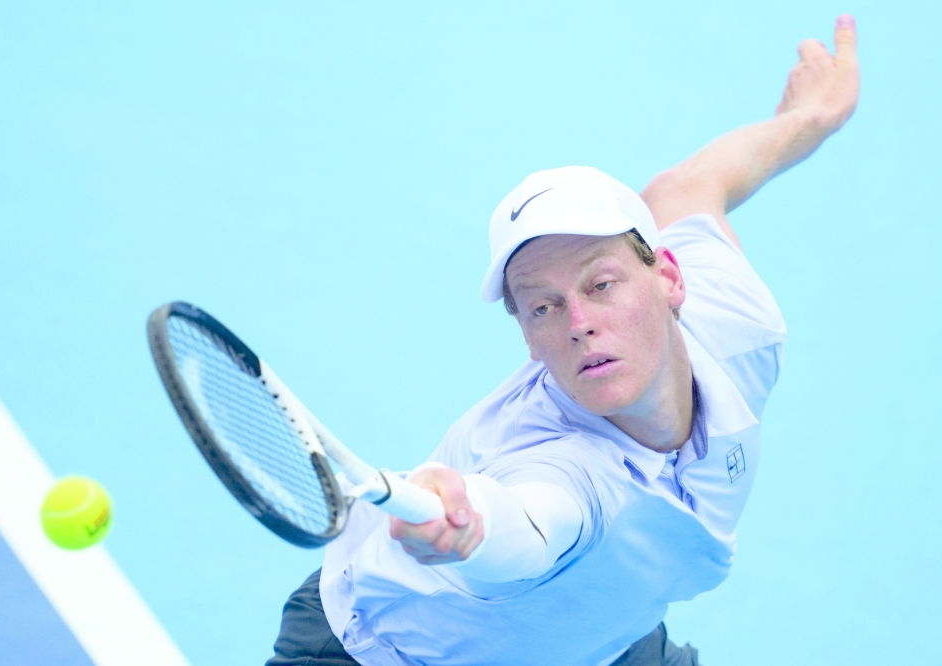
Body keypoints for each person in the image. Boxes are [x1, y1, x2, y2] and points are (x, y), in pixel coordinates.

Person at [268, 14, 860, 666]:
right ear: (526, 335)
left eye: (601, 283)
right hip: (385, 649)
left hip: (595, 635)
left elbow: (685, 189)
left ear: (669, 276)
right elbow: (529, 523)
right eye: (544, 306)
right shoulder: (558, 463)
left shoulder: (738, 324)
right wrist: (469, 529)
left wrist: (812, 117)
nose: (577, 321)